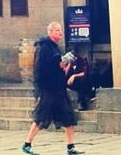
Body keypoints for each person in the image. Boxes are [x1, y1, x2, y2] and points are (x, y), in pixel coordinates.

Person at [21, 22, 82, 155]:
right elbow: (43, 68)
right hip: (48, 89)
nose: (60, 33)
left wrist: (66, 64)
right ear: (50, 32)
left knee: (68, 115)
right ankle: (27, 144)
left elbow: (60, 68)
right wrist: (59, 61)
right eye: (57, 30)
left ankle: (70, 147)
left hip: (59, 88)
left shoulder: (55, 47)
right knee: (41, 116)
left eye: (60, 30)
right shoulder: (44, 48)